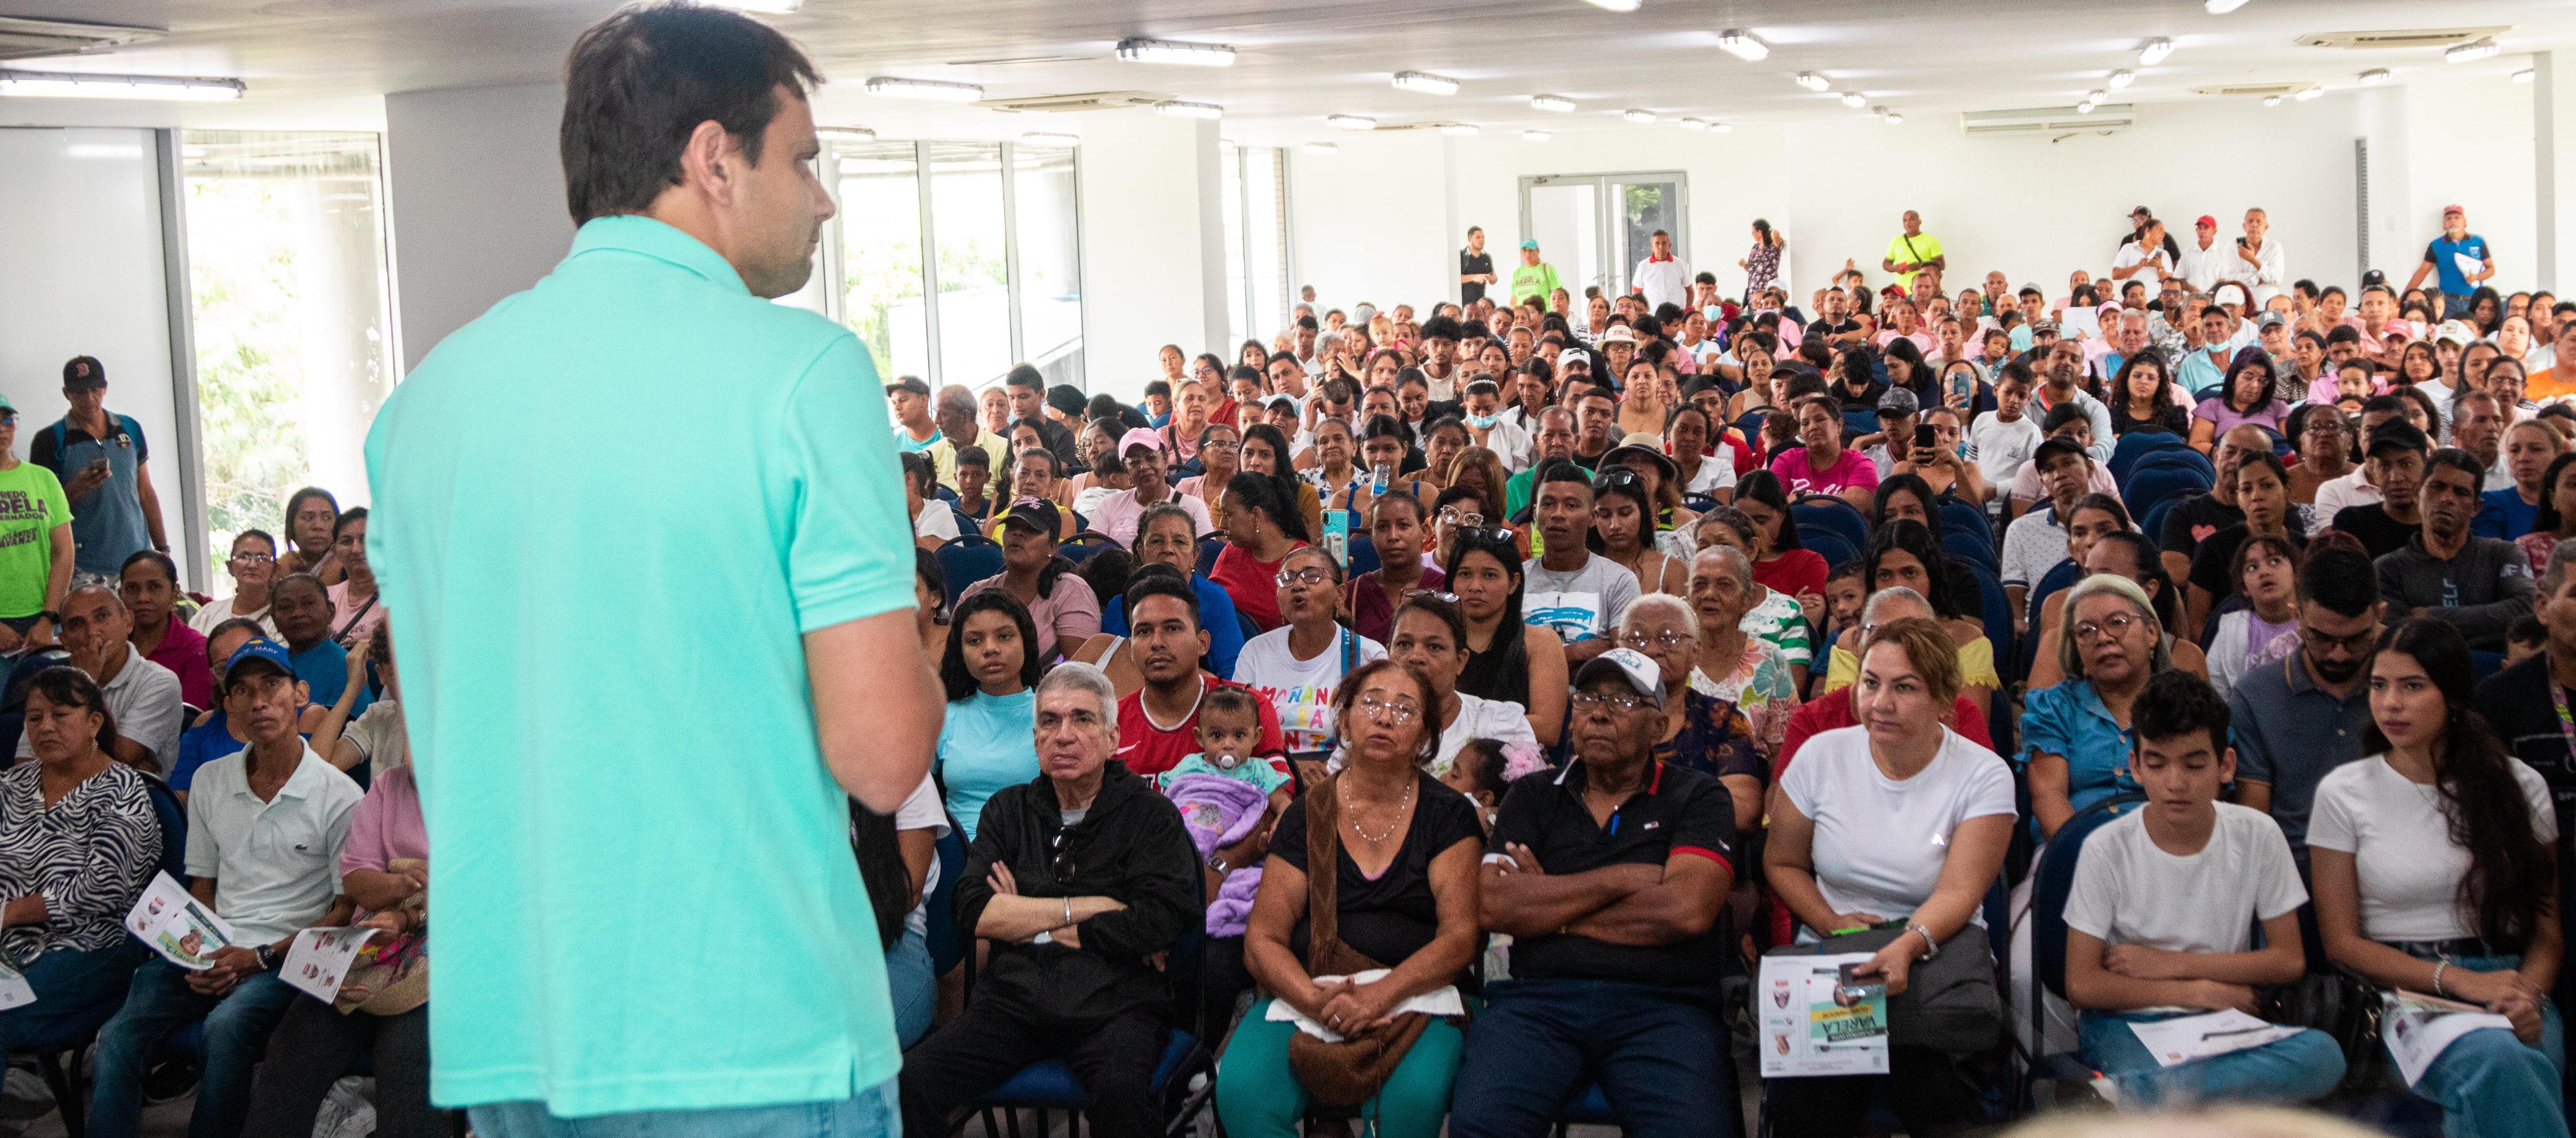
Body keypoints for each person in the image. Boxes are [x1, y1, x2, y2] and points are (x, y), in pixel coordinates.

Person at [363, 9, 944, 1132]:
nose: (822, 197)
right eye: (805, 158)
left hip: (517, 1033)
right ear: (714, 159)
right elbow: (881, 759)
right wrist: (912, 633)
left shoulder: (426, 403)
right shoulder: (804, 371)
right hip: (752, 1028)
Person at [899, 664, 1199, 1138]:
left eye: (1081, 719)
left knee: (1122, 1099)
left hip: (1115, 1004)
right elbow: (974, 910)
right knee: (908, 1083)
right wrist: (1096, 905)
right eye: (1050, 721)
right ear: (1034, 736)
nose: (1064, 735)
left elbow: (1156, 923)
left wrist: (1023, 919)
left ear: (1111, 735)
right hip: (1013, 1003)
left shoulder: (1150, 815)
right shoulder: (1007, 809)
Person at [1453, 647, 1738, 1138]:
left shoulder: (1697, 795)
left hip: (1663, 1006)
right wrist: (1623, 878)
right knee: (1482, 1126)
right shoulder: (1533, 794)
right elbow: (1494, 904)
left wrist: (1547, 904)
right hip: (1538, 1003)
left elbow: (1686, 912)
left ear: (1658, 725)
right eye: (1587, 699)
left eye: (1624, 701)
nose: (1599, 713)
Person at [89, 638, 361, 1138]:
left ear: (299, 693)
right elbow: (202, 884)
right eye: (243, 690)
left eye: (273, 685)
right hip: (217, 947)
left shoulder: (339, 794)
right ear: (229, 705)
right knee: (119, 1031)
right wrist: (206, 952)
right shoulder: (212, 780)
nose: (259, 701)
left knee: (227, 1026)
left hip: (285, 956)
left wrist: (255, 956)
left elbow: (343, 909)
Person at [2314, 620, 2566, 1138]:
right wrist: (2455, 980)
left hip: (2511, 979)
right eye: (2379, 685)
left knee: (2514, 1053)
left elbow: (2546, 932)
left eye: (2411, 686)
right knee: (2497, 1061)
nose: (2389, 704)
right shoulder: (2344, 792)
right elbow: (2341, 941)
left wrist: (2528, 996)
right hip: (2402, 989)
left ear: (2450, 696)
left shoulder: (2521, 786)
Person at [1764, 616, 2014, 1138]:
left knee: (1937, 1096)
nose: (1881, 702)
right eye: (1871, 682)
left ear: (1945, 699)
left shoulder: (1982, 773)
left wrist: (1906, 944)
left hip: (1935, 955)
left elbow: (1960, 891)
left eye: (1904, 687)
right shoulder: (1820, 756)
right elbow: (1782, 863)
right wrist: (1829, 921)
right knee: (1808, 1112)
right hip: (1838, 961)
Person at [1217, 659, 1484, 1138]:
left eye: (1405, 710)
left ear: (1425, 735)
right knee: (1241, 1089)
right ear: (1343, 719)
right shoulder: (1305, 815)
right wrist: (1313, 999)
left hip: (1417, 993)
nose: (1385, 717)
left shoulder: (1447, 815)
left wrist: (1379, 995)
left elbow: (1460, 937)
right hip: (1313, 990)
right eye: (1372, 703)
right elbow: (1263, 938)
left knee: (1413, 1098)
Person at [2061, 671, 2344, 1107]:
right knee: (2196, 1096)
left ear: (2225, 765)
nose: (2175, 782)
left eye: (2194, 764)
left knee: (2323, 1056)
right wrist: (2196, 989)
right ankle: (2157, 1095)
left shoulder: (2256, 833)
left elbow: (2287, 960)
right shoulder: (2105, 846)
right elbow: (2083, 983)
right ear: (2135, 766)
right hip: (2128, 1020)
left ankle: (2122, 1099)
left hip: (2223, 1018)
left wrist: (2170, 963)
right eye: (2156, 763)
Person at [241, 627, 451, 1138]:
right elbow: (357, 879)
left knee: (406, 1049)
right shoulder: (389, 787)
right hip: (376, 949)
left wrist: (409, 913)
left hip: (450, 957)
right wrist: (393, 897)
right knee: (297, 1035)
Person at [0, 667, 156, 1058]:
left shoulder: (122, 789)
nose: (46, 727)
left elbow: (104, 887)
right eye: (35, 719)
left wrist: (10, 913)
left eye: (60, 714)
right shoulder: (13, 786)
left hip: (92, 944)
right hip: (8, 941)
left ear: (94, 722)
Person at [2228, 537, 2382, 866]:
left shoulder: (2402, 690)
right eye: (2322, 638)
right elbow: (2254, 825)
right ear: (2297, 618)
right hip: (2294, 871)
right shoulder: (2254, 695)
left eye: (2356, 639)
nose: (2339, 655)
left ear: (2379, 617)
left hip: (2389, 865)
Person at [2023, 574, 2168, 840]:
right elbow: (2048, 800)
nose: (2103, 638)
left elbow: (2198, 800)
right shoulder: (2054, 707)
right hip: (2070, 852)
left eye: (2117, 623)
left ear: (2151, 633)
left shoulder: (2183, 705)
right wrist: (2092, 864)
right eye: (2086, 631)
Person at [1616, 593, 1764, 832]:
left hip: (1695, 849)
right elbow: (1583, 800)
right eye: (1636, 639)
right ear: (1619, 651)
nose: (1652, 650)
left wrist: (1649, 819)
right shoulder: (1596, 713)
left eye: (1668, 638)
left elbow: (1744, 812)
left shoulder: (1722, 719)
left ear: (1695, 653)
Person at [1115, 574, 1285, 778]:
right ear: (1131, 650)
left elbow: (1279, 801)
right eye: (1143, 632)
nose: (1156, 642)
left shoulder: (1251, 706)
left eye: (1172, 628)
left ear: (1202, 643)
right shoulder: (1110, 722)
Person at [1822, 520, 1999, 716]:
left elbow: (1967, 726)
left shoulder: (1967, 640)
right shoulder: (1851, 643)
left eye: (1910, 572)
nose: (1899, 585)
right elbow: (1845, 722)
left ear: (1931, 576)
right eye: (1885, 575)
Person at [2378, 448, 2536, 651]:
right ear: (2418, 493)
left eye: (2460, 492)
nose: (2447, 499)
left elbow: (2527, 609)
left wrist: (2432, 616)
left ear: (2476, 508)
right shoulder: (2389, 569)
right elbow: (2400, 636)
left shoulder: (2503, 555)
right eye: (2438, 487)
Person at [1236, 546, 1388, 753]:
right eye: (1287, 579)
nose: (1298, 585)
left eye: (1312, 576)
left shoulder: (1368, 655)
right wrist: (1286, 768)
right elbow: (1235, 730)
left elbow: (1375, 738)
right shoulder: (1255, 651)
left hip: (1342, 774)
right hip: (1268, 773)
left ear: (1340, 594)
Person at [22, 582, 182, 775]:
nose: (92, 632)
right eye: (77, 624)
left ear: (128, 622)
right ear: (65, 641)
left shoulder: (160, 682)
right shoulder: (49, 684)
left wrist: (85, 682)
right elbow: (24, 763)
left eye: (102, 617)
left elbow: (120, 763)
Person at [33, 355, 168, 576]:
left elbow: (145, 492)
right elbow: (43, 512)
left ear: (104, 388)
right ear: (66, 393)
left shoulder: (130, 428)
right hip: (83, 566)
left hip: (137, 559)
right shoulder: (50, 440)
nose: (89, 398)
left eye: (94, 390)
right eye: (79, 392)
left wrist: (162, 549)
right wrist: (76, 487)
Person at [1385, 594, 1539, 778]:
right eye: (1404, 644)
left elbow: (1530, 804)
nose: (1416, 657)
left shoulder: (1500, 725)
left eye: (1434, 647)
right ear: (1388, 653)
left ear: (1460, 661)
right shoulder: (1366, 719)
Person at [1448, 527, 1569, 748]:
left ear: (1514, 583)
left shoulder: (1540, 642)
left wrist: (1456, 725)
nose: (1475, 587)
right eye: (1465, 574)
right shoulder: (1438, 642)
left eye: (1490, 575)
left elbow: (1547, 728)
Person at [1685, 544, 1801, 763]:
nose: (1709, 594)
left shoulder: (1769, 658)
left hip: (1747, 782)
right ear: (1687, 596)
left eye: (1725, 585)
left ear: (1746, 601)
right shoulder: (1670, 656)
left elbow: (1784, 752)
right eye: (1699, 585)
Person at [1523, 461, 1641, 664]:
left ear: (1592, 517)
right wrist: (1575, 653)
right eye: (1548, 504)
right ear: (1535, 513)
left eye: (1571, 505)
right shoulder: (1517, 579)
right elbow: (1504, 661)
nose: (1558, 514)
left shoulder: (1619, 581)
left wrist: (1535, 659)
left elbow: (1625, 661)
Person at [962, 498, 1100, 663]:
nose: (1017, 533)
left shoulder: (1071, 591)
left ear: (1052, 547)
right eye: (1011, 527)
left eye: (1031, 529)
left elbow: (1079, 673)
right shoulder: (975, 593)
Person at [2187, 452, 2306, 638]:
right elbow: (2196, 623)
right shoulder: (2213, 548)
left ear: (2287, 490)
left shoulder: (2305, 548)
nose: (2257, 496)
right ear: (2239, 500)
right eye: (2247, 489)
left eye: (2267, 486)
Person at [0, 392, 71, 657]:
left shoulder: (43, 479)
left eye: (7, 421)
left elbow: (63, 553)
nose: (2, 429)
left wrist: (49, 618)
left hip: (41, 620)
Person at [2003, 437, 2099, 627]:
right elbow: (2014, 588)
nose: (2059, 474)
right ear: (2043, 482)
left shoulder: (2120, 527)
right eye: (2048, 470)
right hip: (2042, 626)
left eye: (2068, 463)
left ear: (2090, 468)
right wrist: (2018, 621)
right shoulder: (2021, 529)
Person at [120, 550, 213, 709]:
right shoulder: (109, 644)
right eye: (132, 589)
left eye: (154, 587)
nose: (143, 598)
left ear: (175, 593)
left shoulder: (197, 650)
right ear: (120, 595)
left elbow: (188, 721)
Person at [1347, 492, 1441, 644]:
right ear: (1372, 535)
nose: (1393, 536)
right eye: (1382, 527)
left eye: (1403, 526)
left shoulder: (1444, 588)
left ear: (1424, 531)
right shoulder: (1354, 592)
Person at [1092, 429, 1212, 548]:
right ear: (1125, 469)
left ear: (1165, 460)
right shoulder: (1109, 504)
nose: (1144, 467)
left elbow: (1205, 555)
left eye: (1151, 458)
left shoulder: (1192, 507)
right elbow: (1094, 554)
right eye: (1134, 462)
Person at [1769, 395, 1880, 509]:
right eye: (1805, 423)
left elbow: (1857, 503)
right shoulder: (1786, 460)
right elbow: (1771, 506)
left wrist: (1800, 498)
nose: (1812, 427)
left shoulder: (1860, 463)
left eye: (1820, 419)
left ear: (1839, 425)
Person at [2477, 419, 2564, 541]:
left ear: (2558, 456)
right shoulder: (2490, 504)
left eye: (2536, 449)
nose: (2523, 458)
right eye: (2515, 450)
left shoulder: (2570, 506)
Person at [2407, 205, 2497, 321]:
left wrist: (2477, 277)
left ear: (2465, 222)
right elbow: (2422, 272)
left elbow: (2491, 269)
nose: (2453, 221)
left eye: (2457, 217)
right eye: (2449, 219)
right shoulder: (2436, 245)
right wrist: (2406, 296)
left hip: (2475, 301)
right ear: (2444, 225)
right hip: (2448, 301)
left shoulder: (2478, 242)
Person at [194, 531, 280, 637]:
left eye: (262, 558)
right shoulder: (207, 614)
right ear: (230, 567)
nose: (252, 565)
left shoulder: (282, 616)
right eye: (244, 557)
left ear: (275, 569)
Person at [1882, 209, 1945, 290]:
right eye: (1905, 220)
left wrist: (1919, 266)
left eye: (1912, 219)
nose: (1908, 223)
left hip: (1925, 290)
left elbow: (1941, 265)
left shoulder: (1931, 240)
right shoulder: (1896, 241)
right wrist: (1895, 268)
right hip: (1902, 291)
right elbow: (1886, 264)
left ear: (1920, 222)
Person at [1632, 229, 1691, 313]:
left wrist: (1687, 310)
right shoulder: (1643, 266)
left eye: (1664, 243)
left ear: (1670, 245)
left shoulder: (1679, 264)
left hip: (1676, 314)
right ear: (1652, 247)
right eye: (1657, 244)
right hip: (1652, 314)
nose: (1661, 247)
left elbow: (1689, 290)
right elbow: (1636, 292)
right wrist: (1640, 312)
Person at [1509, 239, 1562, 308]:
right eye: (1525, 250)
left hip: (1543, 315)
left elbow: (1558, 294)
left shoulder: (1547, 269)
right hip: (1523, 316)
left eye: (1531, 250)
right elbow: (1514, 298)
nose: (1528, 254)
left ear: (1538, 251)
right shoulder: (1517, 273)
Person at [1461, 224, 1497, 306]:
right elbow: (1455, 279)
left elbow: (1493, 278)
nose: (1482, 240)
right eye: (1478, 237)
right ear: (1470, 239)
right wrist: (1474, 277)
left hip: (1481, 304)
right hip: (1463, 304)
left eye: (1483, 237)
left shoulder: (1486, 257)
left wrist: (1493, 279)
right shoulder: (1461, 256)